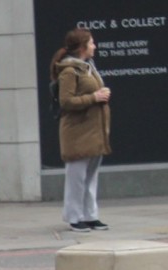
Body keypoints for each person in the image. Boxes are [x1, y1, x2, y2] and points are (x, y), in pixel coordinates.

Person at [51, 28, 112, 233]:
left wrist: (102, 93)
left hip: (93, 130)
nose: (95, 46)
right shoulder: (70, 70)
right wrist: (94, 98)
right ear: (82, 47)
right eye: (92, 43)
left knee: (90, 176)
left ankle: (90, 215)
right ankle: (74, 216)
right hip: (77, 132)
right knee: (76, 177)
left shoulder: (88, 67)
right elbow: (66, 101)